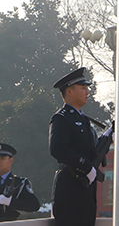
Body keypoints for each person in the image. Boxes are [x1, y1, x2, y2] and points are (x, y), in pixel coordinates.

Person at [49, 67, 101, 226]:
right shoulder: (62, 118)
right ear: (69, 92)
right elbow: (57, 148)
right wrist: (86, 167)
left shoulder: (84, 120)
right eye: (83, 88)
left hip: (85, 188)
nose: (87, 92)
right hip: (70, 186)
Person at [0, 143, 40, 222]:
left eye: (3, 158)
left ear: (11, 160)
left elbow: (34, 205)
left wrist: (11, 201)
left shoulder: (20, 183)